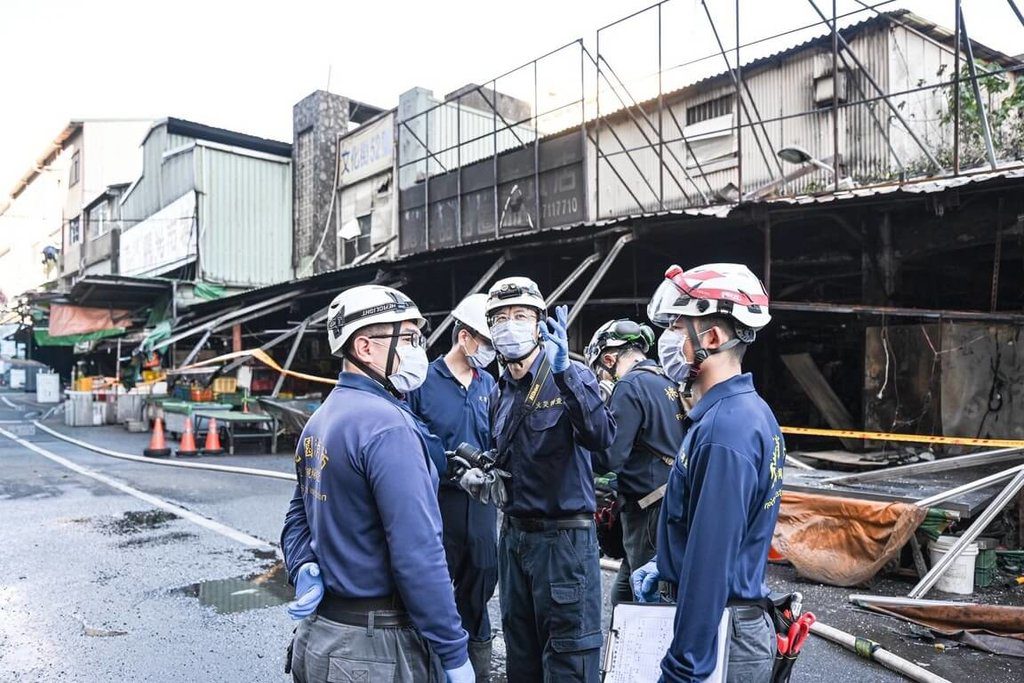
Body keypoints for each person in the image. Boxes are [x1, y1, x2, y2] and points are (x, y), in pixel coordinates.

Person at [281, 284, 474, 683]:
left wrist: (303, 565)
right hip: (374, 649)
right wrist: (453, 652)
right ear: (365, 347)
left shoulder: (322, 418)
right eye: (406, 338)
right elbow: (418, 552)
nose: (416, 350)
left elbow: (299, 511)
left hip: (321, 639)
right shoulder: (388, 427)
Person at [631, 263, 783, 683]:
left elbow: (710, 565)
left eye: (678, 327)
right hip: (729, 625)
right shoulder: (745, 413)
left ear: (711, 338)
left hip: (722, 637)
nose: (668, 340)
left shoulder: (724, 432)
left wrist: (682, 672)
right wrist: (667, 564)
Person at [482, 276, 615, 682]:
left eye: (520, 315)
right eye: (500, 317)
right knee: (521, 657)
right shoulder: (499, 390)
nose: (510, 324)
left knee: (568, 660)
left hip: (563, 544)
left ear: (540, 323)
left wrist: (567, 376)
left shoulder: (570, 375)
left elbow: (602, 440)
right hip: (515, 539)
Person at [407, 293, 498, 682]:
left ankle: (474, 668)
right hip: (437, 504)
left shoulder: (490, 384)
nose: (492, 352)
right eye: (487, 343)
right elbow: (411, 442)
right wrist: (449, 469)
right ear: (465, 337)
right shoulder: (423, 381)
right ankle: (429, 665)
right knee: (434, 589)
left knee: (480, 583)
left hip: (481, 506)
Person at [585, 319, 685, 607]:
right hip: (667, 501)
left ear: (608, 359)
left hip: (649, 511)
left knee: (647, 597)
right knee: (627, 589)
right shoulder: (666, 380)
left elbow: (608, 458)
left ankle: (645, 650)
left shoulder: (629, 385)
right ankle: (622, 649)